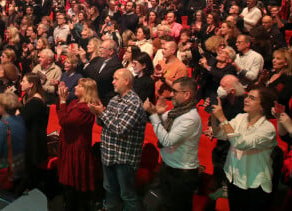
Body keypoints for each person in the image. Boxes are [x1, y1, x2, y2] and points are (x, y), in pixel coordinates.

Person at [88, 68, 147, 211]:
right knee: (110, 190)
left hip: (124, 158)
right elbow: (103, 123)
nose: (112, 82)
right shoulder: (114, 100)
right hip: (109, 154)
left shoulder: (134, 103)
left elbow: (120, 129)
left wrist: (102, 113)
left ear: (126, 81)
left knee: (127, 195)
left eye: (115, 79)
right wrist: (98, 112)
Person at [210, 87, 277, 211]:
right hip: (234, 179)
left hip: (254, 185)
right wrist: (213, 116)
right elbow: (220, 134)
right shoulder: (241, 117)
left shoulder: (268, 129)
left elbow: (240, 143)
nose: (246, 100)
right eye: (247, 96)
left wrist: (222, 118)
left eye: (252, 98)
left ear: (262, 106)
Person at [144, 77, 201, 211]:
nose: (171, 95)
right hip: (168, 168)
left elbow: (167, 141)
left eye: (175, 92)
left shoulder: (190, 118)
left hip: (182, 174)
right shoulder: (176, 112)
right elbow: (161, 121)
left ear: (187, 94)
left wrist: (153, 115)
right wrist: (156, 112)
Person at [56, 78, 100, 211]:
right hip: (69, 144)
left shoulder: (86, 108)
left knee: (74, 181)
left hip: (77, 147)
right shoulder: (75, 102)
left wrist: (63, 100)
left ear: (86, 91)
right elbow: (61, 112)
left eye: (79, 86)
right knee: (67, 181)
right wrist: (62, 100)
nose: (75, 87)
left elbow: (64, 121)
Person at [205, 75, 246, 199]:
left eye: (223, 86)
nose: (219, 88)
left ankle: (226, 189)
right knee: (217, 156)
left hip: (236, 141)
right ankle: (219, 185)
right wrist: (212, 127)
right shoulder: (223, 100)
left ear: (232, 91)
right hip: (222, 138)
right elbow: (213, 115)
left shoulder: (243, 105)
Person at [19, 73, 49, 190]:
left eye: (24, 81)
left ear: (31, 84)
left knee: (29, 173)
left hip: (33, 141)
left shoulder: (36, 101)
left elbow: (22, 118)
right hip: (28, 137)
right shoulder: (27, 97)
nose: (21, 83)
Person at [82, 39, 123, 104]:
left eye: (103, 48)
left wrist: (85, 61)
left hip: (105, 100)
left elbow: (99, 78)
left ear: (111, 51)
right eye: (100, 47)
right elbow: (91, 73)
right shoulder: (100, 60)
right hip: (94, 97)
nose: (100, 50)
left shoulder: (116, 64)